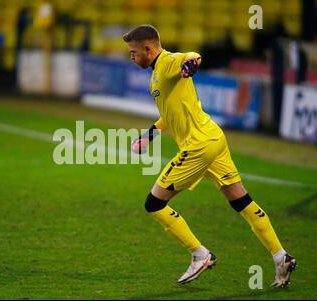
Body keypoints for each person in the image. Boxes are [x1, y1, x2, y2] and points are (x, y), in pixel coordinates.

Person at [123, 25, 296, 287]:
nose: (131, 57)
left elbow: (191, 56)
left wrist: (192, 63)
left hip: (198, 146)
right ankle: (281, 257)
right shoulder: (158, 73)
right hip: (213, 137)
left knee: (154, 204)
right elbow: (171, 112)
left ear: (148, 49)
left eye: (133, 52)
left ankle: (200, 254)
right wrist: (149, 134)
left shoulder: (168, 62)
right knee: (241, 201)